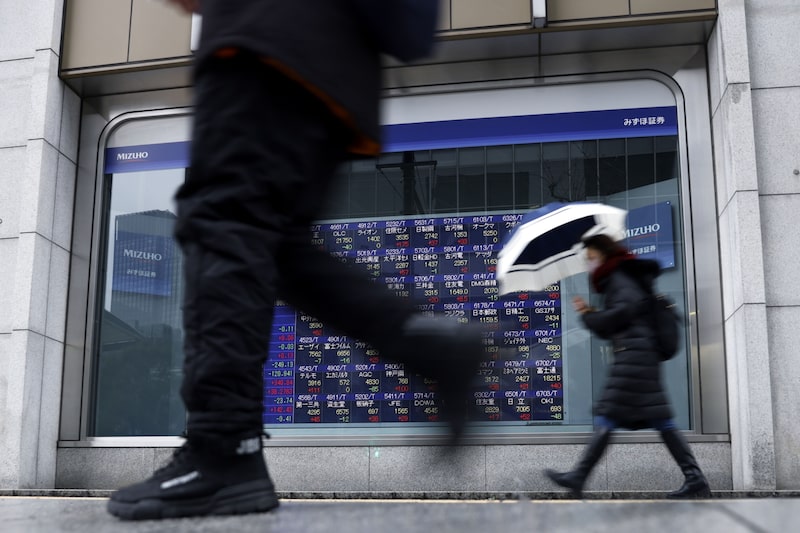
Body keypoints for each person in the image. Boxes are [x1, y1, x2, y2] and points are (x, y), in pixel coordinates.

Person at [107, 0, 487, 521]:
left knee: (225, 224)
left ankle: (224, 447)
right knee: (274, 246)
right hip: (322, 61)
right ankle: (432, 347)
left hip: (265, 41)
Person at [544, 233, 711, 499]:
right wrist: (589, 314)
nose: (589, 262)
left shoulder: (619, 276)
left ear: (603, 253)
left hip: (635, 357)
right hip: (637, 355)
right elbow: (618, 323)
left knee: (610, 415)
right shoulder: (621, 275)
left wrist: (591, 317)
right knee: (654, 418)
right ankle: (694, 478)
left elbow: (622, 313)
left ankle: (578, 477)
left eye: (591, 256)